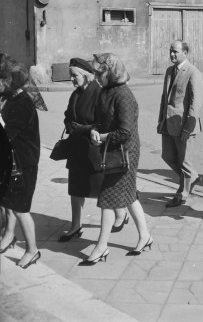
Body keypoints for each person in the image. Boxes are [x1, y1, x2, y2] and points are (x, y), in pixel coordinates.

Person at [83, 53, 152, 265]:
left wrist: (103, 136)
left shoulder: (124, 95)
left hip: (125, 153)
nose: (96, 77)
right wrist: (95, 131)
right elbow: (99, 120)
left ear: (112, 73)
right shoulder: (105, 91)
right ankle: (145, 236)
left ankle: (101, 247)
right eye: (95, 73)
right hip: (112, 150)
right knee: (129, 195)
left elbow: (125, 132)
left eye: (100, 73)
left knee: (108, 198)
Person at [59, 58, 125, 242]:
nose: (72, 79)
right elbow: (68, 115)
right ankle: (75, 226)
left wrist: (83, 128)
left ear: (87, 75)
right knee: (75, 189)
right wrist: (69, 124)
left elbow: (103, 122)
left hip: (93, 149)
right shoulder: (76, 94)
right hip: (77, 148)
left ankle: (121, 214)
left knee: (102, 189)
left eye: (75, 76)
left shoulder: (98, 93)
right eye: (70, 76)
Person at [0, 55, 45, 268]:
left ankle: (32, 250)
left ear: (9, 81)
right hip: (12, 160)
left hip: (23, 163)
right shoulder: (10, 97)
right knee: (7, 201)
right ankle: (9, 235)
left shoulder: (22, 103)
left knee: (20, 208)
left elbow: (7, 134)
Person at [157, 41, 203, 208]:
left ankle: (182, 193)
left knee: (184, 162)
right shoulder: (170, 71)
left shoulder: (193, 73)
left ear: (185, 53)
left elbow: (194, 104)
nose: (172, 54)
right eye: (170, 51)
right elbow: (165, 99)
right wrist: (160, 121)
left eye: (175, 52)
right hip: (168, 124)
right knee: (168, 156)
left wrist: (187, 128)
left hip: (184, 126)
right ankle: (192, 177)